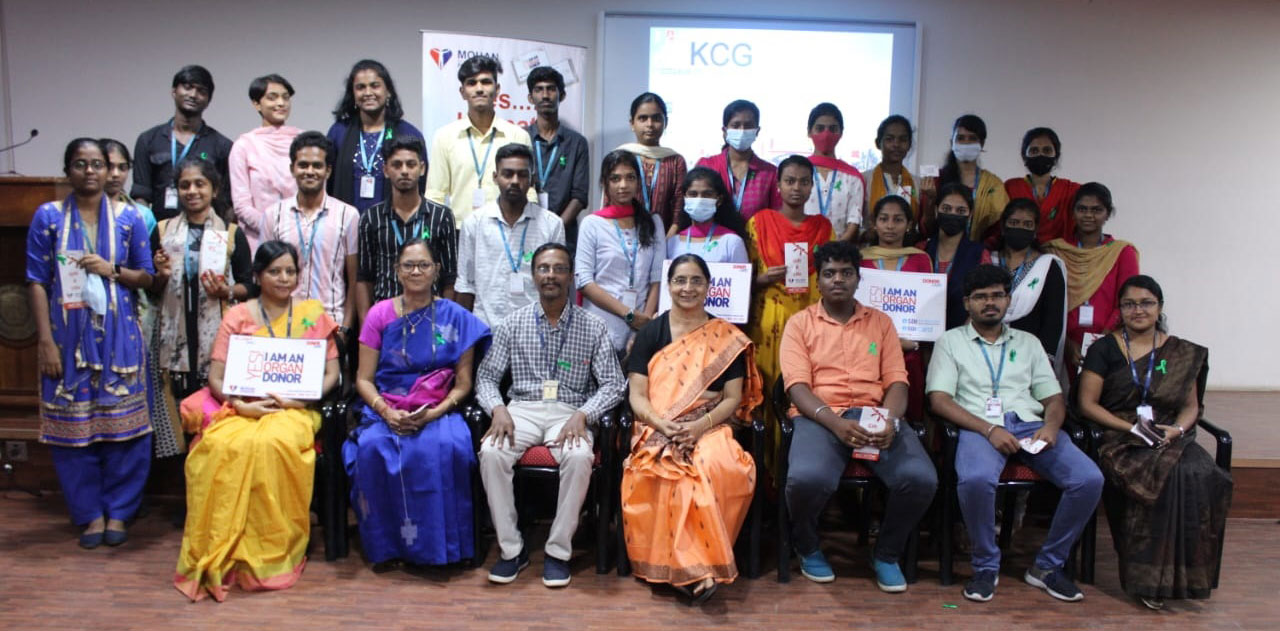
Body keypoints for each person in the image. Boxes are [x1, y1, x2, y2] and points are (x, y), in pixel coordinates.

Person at [174, 240, 340, 602]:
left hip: (294, 409)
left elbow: (332, 374)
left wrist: (300, 399)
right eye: (274, 271)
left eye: (290, 271)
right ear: (257, 276)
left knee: (270, 445)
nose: (284, 278)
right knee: (221, 446)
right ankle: (226, 549)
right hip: (242, 408)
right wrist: (240, 405)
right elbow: (216, 377)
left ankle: (270, 553)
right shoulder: (237, 315)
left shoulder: (312, 314)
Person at [927, 264, 1102, 603]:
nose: (989, 303)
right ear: (967, 303)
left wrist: (1051, 427)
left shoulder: (1029, 343)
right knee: (976, 479)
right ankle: (985, 566)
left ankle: (1047, 566)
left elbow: (1053, 398)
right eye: (981, 297)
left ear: (1008, 300)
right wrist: (989, 429)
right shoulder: (950, 342)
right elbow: (939, 400)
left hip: (1031, 426)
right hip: (979, 427)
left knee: (1088, 479)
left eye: (997, 295)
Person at [780, 240, 937, 590]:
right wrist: (836, 423)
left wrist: (890, 421)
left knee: (921, 479)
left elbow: (897, 382)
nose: (838, 279)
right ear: (818, 281)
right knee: (806, 480)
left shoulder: (881, 323)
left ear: (858, 278)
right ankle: (807, 546)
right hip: (821, 416)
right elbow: (797, 388)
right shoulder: (799, 324)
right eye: (829, 273)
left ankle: (886, 554)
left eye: (846, 273)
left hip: (874, 414)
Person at [27, 138, 155, 548]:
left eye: (97, 164)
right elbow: (36, 281)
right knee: (72, 428)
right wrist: (45, 341)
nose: (90, 171)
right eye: (80, 164)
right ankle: (89, 515)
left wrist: (110, 269)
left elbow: (146, 277)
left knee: (126, 431)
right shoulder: (48, 217)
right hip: (66, 337)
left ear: (109, 170)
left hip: (120, 338)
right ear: (67, 170)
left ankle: (119, 512)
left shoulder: (128, 218)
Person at [1076, 275, 1231, 610]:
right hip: (1119, 436)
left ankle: (1184, 576)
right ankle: (1146, 579)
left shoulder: (1180, 352)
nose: (1138, 310)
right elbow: (1087, 404)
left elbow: (1190, 406)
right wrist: (1131, 428)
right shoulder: (1104, 349)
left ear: (1159, 307)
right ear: (1120, 309)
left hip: (1166, 435)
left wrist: (1175, 430)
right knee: (1155, 477)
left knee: (1201, 473)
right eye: (1129, 304)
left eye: (1146, 303)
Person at [475, 243, 626, 587]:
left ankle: (558, 551)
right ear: (533, 276)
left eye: (559, 269)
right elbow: (486, 377)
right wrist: (498, 408)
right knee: (492, 452)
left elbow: (614, 385)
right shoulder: (512, 324)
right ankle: (512, 550)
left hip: (570, 412)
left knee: (580, 456)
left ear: (570, 277)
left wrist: (585, 413)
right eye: (543, 268)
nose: (551, 275)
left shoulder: (593, 326)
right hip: (522, 410)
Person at [621, 253, 762, 604]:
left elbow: (732, 398)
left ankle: (697, 567)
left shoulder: (726, 336)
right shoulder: (651, 332)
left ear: (709, 286)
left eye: (696, 280)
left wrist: (699, 427)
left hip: (710, 424)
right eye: (680, 280)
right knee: (664, 473)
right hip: (658, 425)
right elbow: (637, 395)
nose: (688, 288)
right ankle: (687, 570)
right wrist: (661, 424)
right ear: (669, 286)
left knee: (717, 465)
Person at [343, 238, 490, 569]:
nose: (416, 271)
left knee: (449, 447)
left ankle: (446, 547)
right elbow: (363, 379)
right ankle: (388, 547)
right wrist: (386, 412)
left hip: (438, 408)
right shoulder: (380, 314)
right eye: (408, 265)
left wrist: (434, 413)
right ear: (397, 271)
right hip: (386, 407)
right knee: (372, 448)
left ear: (436, 270)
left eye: (424, 265)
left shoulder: (457, 317)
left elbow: (463, 384)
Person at [149, 158, 252, 439]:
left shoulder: (231, 233)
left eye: (200, 184)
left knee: (214, 414)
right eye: (185, 185)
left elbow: (250, 287)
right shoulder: (162, 231)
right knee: (177, 409)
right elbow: (150, 288)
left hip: (217, 334)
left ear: (214, 190)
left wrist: (225, 291)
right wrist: (160, 274)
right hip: (173, 333)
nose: (192, 191)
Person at [101, 138, 180, 459]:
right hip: (86, 317)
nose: (115, 174)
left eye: (123, 167)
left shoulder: (141, 215)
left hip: (134, 312)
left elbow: (148, 276)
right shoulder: (67, 215)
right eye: (109, 166)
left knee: (132, 391)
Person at [746, 155, 834, 431]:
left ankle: (803, 451)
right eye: (790, 181)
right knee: (767, 387)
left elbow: (830, 275)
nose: (797, 188)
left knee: (808, 386)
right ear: (778, 185)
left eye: (804, 182)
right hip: (768, 319)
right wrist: (762, 279)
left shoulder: (823, 227)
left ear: (811, 187)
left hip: (811, 320)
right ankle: (768, 457)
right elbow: (743, 279)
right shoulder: (759, 222)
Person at [456, 143, 565, 327]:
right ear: (495, 177)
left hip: (535, 330)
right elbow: (465, 286)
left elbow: (559, 286)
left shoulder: (551, 224)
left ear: (532, 180)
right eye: (507, 174)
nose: (515, 181)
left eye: (522, 175)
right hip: (486, 329)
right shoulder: (474, 223)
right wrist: (464, 335)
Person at [260, 131, 360, 332]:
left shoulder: (347, 216)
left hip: (330, 325)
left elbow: (354, 279)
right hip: (283, 325)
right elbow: (264, 276)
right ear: (292, 169)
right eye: (303, 165)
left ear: (328, 170)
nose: (310, 171)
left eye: (317, 165)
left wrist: (345, 328)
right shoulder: (273, 215)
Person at [1041, 183, 1140, 373]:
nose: (1088, 215)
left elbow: (1128, 301)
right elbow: (1047, 304)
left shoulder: (1121, 252)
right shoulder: (1055, 251)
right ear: (1073, 212)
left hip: (1109, 339)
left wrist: (1102, 341)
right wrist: (1066, 343)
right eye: (1082, 209)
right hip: (1062, 341)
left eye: (1096, 210)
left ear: (1108, 214)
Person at [357, 136, 457, 321]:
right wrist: (366, 326)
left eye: (411, 165)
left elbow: (450, 277)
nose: (404, 171)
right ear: (386, 170)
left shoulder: (442, 216)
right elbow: (364, 278)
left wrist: (445, 321)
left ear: (422, 168)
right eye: (397, 165)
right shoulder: (370, 218)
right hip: (385, 317)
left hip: (430, 317)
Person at [576, 149, 665, 354]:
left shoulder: (653, 222)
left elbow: (657, 278)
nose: (623, 185)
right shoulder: (592, 223)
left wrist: (644, 325)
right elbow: (584, 281)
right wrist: (629, 315)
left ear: (638, 182)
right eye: (615, 179)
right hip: (599, 325)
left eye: (630, 178)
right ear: (604, 183)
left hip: (641, 328)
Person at [427, 56, 535, 223]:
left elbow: (529, 191)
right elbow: (435, 194)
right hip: (460, 230)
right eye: (471, 83)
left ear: (497, 90)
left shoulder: (518, 136)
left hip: (507, 228)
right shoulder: (445, 137)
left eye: (485, 82)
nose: (479, 89)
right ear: (462, 92)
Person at [860, 195, 932, 423]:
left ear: (909, 224)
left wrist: (914, 342)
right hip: (868, 347)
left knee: (908, 417)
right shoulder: (860, 259)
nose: (890, 226)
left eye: (898, 220)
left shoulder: (921, 260)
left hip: (909, 349)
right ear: (874, 223)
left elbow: (927, 309)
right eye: (884, 219)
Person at [132, 65, 233, 221]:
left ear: (208, 100)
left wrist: (222, 232)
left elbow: (226, 202)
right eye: (187, 87)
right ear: (174, 91)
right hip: (160, 229)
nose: (193, 95)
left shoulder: (222, 146)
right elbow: (141, 195)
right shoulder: (148, 140)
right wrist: (146, 228)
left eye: (201, 91)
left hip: (207, 230)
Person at [326, 59, 425, 213]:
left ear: (388, 91)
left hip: (393, 222)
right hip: (346, 221)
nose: (368, 93)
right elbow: (328, 182)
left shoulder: (408, 133)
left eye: (375, 86)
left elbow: (421, 185)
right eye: (361, 87)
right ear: (353, 94)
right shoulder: (339, 132)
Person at [981, 199, 1068, 365]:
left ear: (1035, 231)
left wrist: (1043, 362)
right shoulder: (988, 260)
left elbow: (1053, 321)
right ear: (1003, 227)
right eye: (1014, 223)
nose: (1020, 228)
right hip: (986, 351)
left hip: (1029, 356)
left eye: (1027, 224)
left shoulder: (1048, 265)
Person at [229, 74, 301, 251]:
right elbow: (242, 206)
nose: (281, 103)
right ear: (256, 104)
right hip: (258, 241)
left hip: (301, 236)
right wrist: (274, 228)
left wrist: (297, 230)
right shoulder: (244, 146)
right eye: (272, 97)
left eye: (285, 97)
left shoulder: (303, 141)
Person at [524, 66, 589, 242]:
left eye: (551, 89)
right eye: (539, 89)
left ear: (562, 95)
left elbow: (579, 196)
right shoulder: (521, 138)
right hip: (525, 232)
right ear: (530, 98)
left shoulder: (577, 143)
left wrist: (555, 229)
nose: (545, 95)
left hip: (564, 234)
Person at [922, 114, 1008, 241]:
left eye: (972, 138)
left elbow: (998, 228)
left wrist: (978, 248)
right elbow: (926, 229)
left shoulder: (993, 185)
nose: (966, 143)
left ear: (982, 143)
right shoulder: (935, 180)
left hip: (979, 249)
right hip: (939, 248)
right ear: (952, 143)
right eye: (960, 138)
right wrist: (930, 200)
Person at [694, 99, 781, 221]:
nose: (742, 130)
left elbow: (776, 218)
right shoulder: (707, 166)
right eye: (735, 125)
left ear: (757, 131)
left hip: (755, 234)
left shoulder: (770, 173)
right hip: (713, 233)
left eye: (748, 126)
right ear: (725, 131)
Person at [615, 92, 687, 233]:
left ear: (666, 122)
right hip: (623, 237)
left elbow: (679, 210)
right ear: (632, 123)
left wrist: (665, 241)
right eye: (643, 118)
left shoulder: (675, 161)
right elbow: (610, 204)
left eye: (656, 118)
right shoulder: (620, 158)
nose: (650, 124)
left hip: (666, 238)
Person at [922, 182, 986, 330]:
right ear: (936, 210)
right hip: (919, 336)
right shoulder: (921, 250)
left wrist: (961, 337)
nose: (953, 214)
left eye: (960, 210)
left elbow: (984, 299)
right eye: (946, 209)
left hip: (962, 336)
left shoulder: (980, 254)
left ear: (970, 215)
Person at [1004, 127, 1080, 244]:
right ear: (1024, 156)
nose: (1040, 155)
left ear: (1056, 156)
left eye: (1047, 150)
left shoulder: (1072, 190)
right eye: (1034, 151)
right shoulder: (1010, 187)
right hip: (1019, 251)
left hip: (1060, 253)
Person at [804, 103, 865, 242]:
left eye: (833, 129)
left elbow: (854, 220)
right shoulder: (798, 172)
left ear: (841, 132)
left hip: (839, 251)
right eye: (820, 128)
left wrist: (835, 248)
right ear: (809, 131)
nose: (826, 134)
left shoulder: (852, 177)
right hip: (801, 248)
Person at [666, 167, 750, 264]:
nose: (699, 200)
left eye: (707, 194)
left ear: (719, 200)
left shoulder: (731, 242)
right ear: (685, 198)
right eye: (693, 194)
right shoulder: (672, 243)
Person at [863, 115, 918, 220]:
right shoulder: (864, 180)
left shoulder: (917, 183)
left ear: (909, 145)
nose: (896, 144)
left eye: (903, 140)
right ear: (878, 143)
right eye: (889, 139)